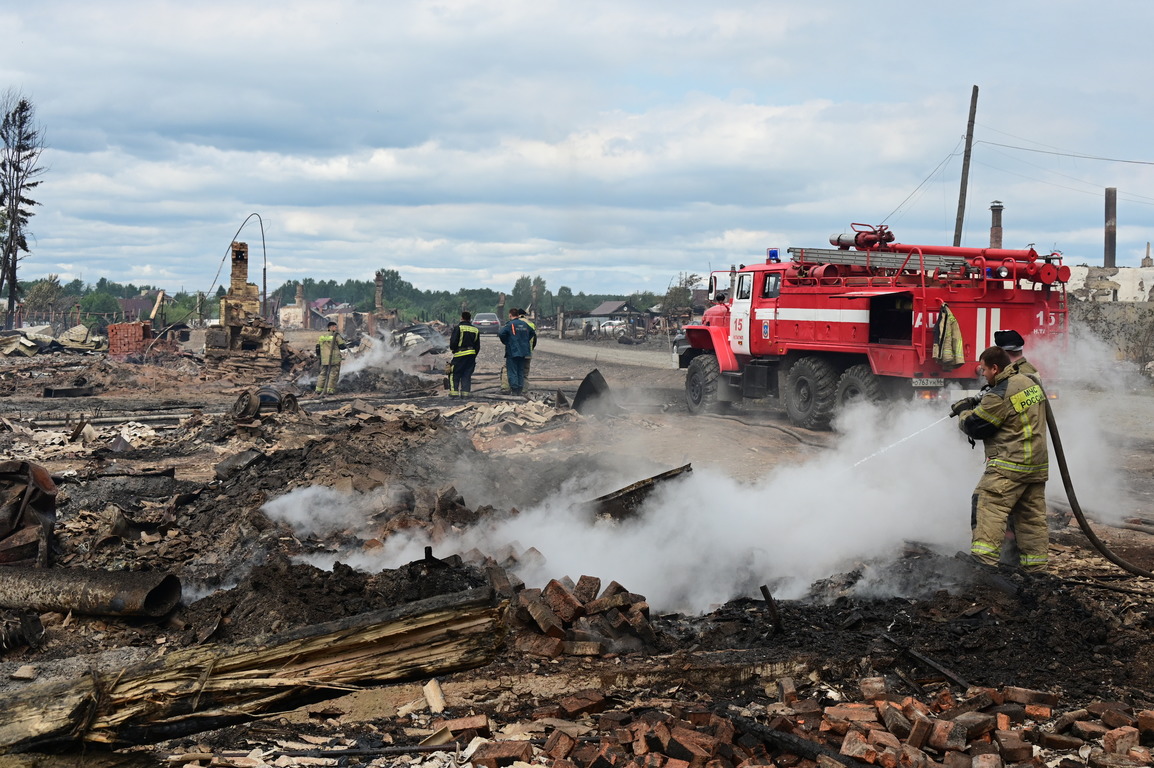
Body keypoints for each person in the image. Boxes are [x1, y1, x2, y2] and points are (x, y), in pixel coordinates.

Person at [950, 346, 1049, 572]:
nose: (982, 374)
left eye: (983, 369)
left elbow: (976, 427)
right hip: (1036, 465)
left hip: (1009, 464)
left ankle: (984, 566)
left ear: (995, 368)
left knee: (987, 503)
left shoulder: (999, 395)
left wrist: (964, 411)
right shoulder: (1029, 382)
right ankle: (1037, 574)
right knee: (1030, 519)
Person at [497, 307, 536, 396]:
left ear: (510, 315)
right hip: (524, 351)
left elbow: (501, 333)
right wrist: (525, 340)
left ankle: (514, 390)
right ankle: (520, 389)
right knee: (520, 370)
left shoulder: (510, 324)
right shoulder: (525, 324)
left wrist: (507, 342)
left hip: (513, 351)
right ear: (518, 315)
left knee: (512, 371)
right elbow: (532, 333)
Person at [448, 311, 480, 397]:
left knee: (453, 373)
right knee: (466, 374)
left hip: (460, 355)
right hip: (471, 356)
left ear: (462, 318)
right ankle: (465, 394)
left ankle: (454, 393)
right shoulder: (475, 329)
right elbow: (477, 346)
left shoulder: (458, 328)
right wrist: (473, 354)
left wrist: (454, 350)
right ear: (470, 319)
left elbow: (453, 342)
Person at [315, 321, 348, 395]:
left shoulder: (322, 336)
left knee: (323, 374)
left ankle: (319, 390)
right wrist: (344, 343)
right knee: (333, 374)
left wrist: (320, 357)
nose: (336, 328)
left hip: (324, 359)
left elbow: (317, 347)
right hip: (334, 358)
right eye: (335, 327)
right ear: (331, 327)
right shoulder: (336, 335)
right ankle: (330, 390)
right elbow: (342, 346)